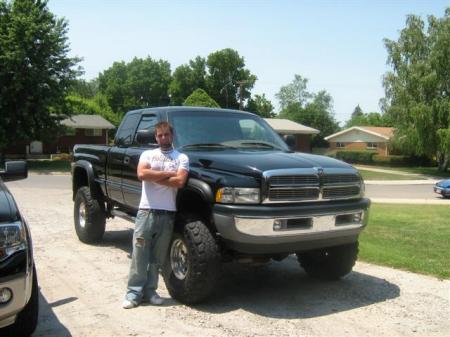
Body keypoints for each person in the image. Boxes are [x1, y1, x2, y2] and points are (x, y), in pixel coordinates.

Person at [123, 121, 189, 309]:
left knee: (157, 258)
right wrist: (168, 173)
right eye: (159, 135)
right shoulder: (148, 154)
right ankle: (133, 293)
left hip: (168, 214)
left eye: (166, 134)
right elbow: (142, 174)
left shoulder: (182, 158)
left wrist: (156, 175)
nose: (163, 138)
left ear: (172, 135)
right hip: (146, 212)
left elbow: (180, 182)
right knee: (139, 254)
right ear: (155, 137)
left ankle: (151, 291)